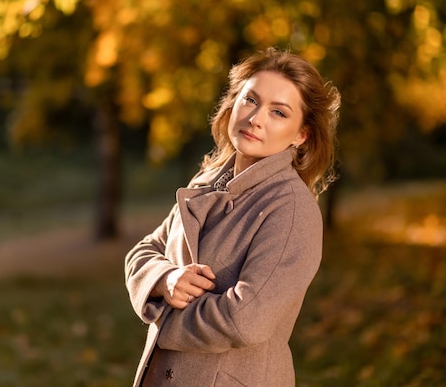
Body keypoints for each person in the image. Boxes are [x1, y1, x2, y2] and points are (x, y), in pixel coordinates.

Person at [124, 47, 340, 387]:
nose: (256, 119)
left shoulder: (291, 209)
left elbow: (245, 319)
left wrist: (164, 314)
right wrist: (165, 280)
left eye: (279, 112)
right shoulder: (206, 182)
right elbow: (144, 251)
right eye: (251, 100)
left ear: (302, 134)